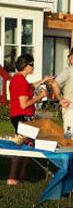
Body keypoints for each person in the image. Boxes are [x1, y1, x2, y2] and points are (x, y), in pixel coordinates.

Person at [7, 53, 51, 185]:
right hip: (22, 116)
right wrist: (40, 96)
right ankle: (13, 178)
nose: (33, 67)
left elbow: (30, 87)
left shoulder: (19, 79)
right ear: (26, 66)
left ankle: (20, 176)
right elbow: (24, 104)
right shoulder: (20, 81)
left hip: (20, 116)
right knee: (21, 147)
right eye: (32, 64)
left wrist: (43, 80)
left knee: (27, 145)